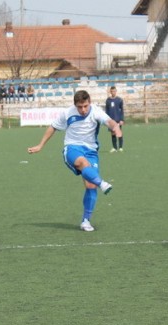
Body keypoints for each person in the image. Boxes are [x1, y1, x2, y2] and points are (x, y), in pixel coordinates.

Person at [27, 90, 121, 232]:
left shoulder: (96, 111)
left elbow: (109, 121)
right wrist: (40, 145)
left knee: (91, 186)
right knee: (83, 164)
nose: (83, 110)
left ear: (89, 102)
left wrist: (116, 127)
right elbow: (52, 127)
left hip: (91, 151)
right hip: (72, 148)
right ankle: (102, 183)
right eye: (79, 107)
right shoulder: (67, 113)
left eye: (85, 106)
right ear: (75, 105)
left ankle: (85, 221)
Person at [105, 86, 124, 152]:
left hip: (118, 119)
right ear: (110, 92)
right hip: (111, 120)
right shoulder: (108, 100)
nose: (113, 92)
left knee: (118, 133)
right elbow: (106, 110)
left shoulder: (119, 100)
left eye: (114, 91)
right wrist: (107, 119)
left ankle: (120, 147)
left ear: (116, 91)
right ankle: (114, 148)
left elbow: (121, 110)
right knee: (112, 133)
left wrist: (122, 119)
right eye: (112, 91)